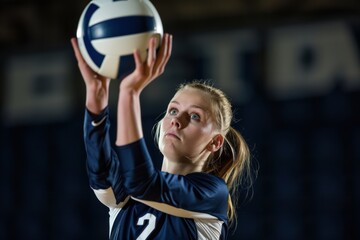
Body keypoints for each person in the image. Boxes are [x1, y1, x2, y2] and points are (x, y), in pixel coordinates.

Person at [71, 33, 253, 240]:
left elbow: (142, 184)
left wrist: (129, 93)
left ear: (215, 142)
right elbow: (101, 173)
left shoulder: (212, 194)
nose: (176, 120)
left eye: (194, 116)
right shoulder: (128, 194)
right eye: (173, 111)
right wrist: (96, 100)